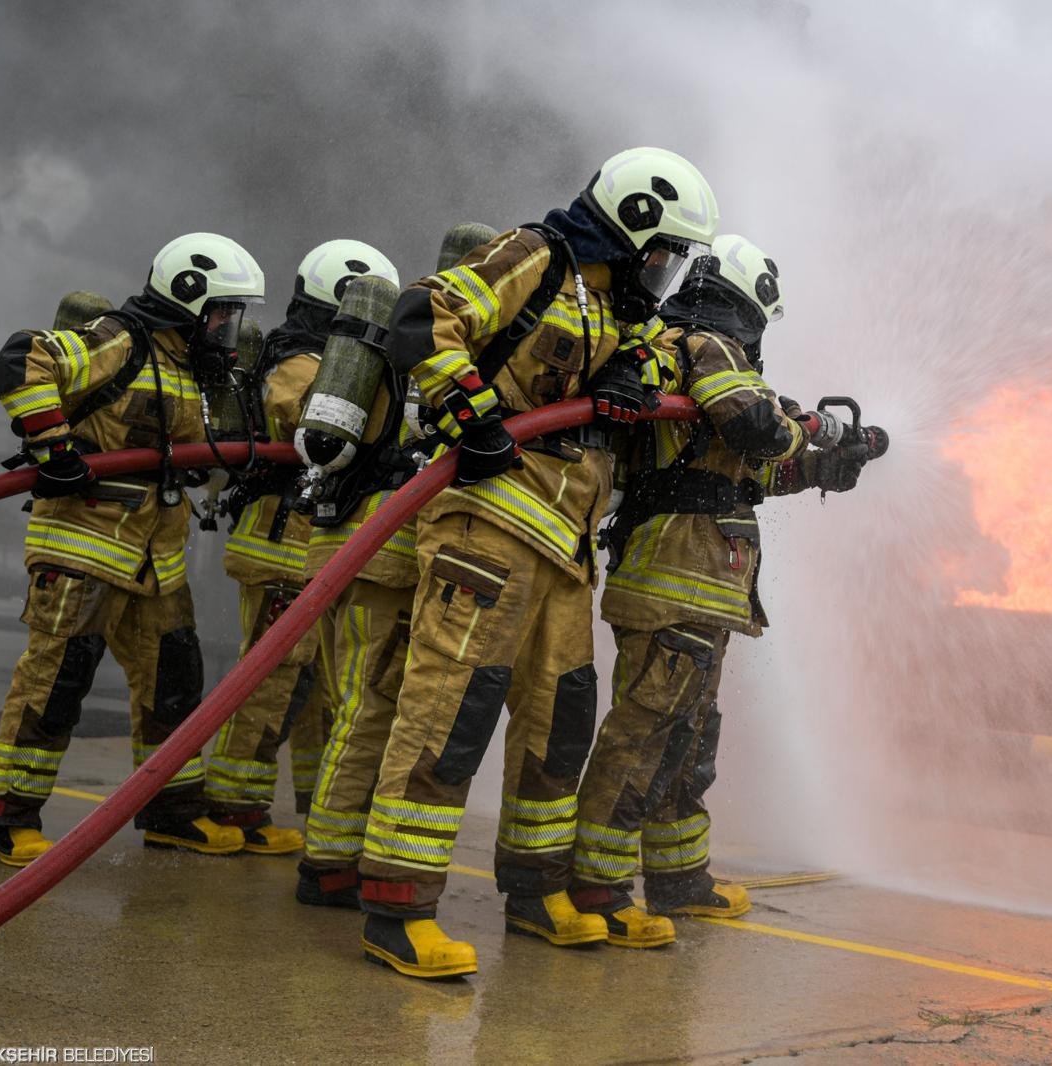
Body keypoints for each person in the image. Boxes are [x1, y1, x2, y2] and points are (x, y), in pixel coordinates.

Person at [355, 147, 719, 980]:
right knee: (449, 713)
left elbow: (664, 358)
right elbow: (427, 314)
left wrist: (633, 367)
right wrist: (468, 405)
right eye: (663, 252)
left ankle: (535, 893)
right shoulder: (538, 258)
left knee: (560, 721)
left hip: (564, 549)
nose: (665, 272)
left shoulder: (619, 305)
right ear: (629, 229)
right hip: (485, 527)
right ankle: (398, 908)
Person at [571, 235, 873, 924]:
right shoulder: (705, 345)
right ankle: (599, 887)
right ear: (751, 299)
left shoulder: (696, 359)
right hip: (673, 574)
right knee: (644, 734)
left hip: (701, 580)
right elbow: (760, 429)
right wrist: (808, 428)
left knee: (688, 735)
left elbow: (752, 471)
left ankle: (679, 880)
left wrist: (827, 468)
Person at [0, 233, 266, 865]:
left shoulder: (190, 366)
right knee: (57, 682)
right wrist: (53, 447)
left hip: (154, 562)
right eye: (222, 311)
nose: (228, 325)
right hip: (83, 547)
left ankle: (171, 811)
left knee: (174, 680)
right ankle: (11, 815)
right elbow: (22, 359)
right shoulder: (122, 340)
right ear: (187, 297)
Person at [295, 223, 499, 908]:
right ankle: (327, 862)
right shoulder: (426, 345)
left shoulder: (388, 336)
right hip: (380, 552)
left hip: (373, 550)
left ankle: (338, 852)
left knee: (366, 706)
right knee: (367, 708)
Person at [205, 240, 399, 854]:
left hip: (312, 544)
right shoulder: (297, 364)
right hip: (280, 542)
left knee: (316, 685)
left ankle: (322, 807)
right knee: (268, 681)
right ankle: (235, 805)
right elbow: (313, 422)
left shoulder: (321, 358)